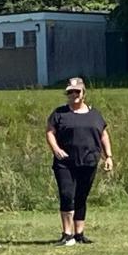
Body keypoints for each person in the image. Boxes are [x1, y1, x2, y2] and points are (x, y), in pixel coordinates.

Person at [45, 77, 113, 246]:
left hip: (89, 161)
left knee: (81, 196)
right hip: (65, 162)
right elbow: (50, 132)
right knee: (67, 195)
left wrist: (108, 156)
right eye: (70, 92)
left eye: (77, 91)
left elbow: (103, 134)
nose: (73, 94)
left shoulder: (95, 114)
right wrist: (56, 149)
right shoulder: (60, 113)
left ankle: (79, 233)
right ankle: (67, 234)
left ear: (84, 93)